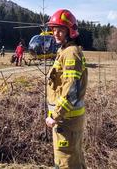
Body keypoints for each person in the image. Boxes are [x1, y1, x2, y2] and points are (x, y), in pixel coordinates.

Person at [46, 9, 87, 169]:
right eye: (54, 29)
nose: (56, 33)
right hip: (65, 120)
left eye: (60, 30)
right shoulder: (64, 51)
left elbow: (72, 90)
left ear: (70, 31)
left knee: (67, 164)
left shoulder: (70, 53)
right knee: (73, 160)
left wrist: (56, 115)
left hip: (66, 120)